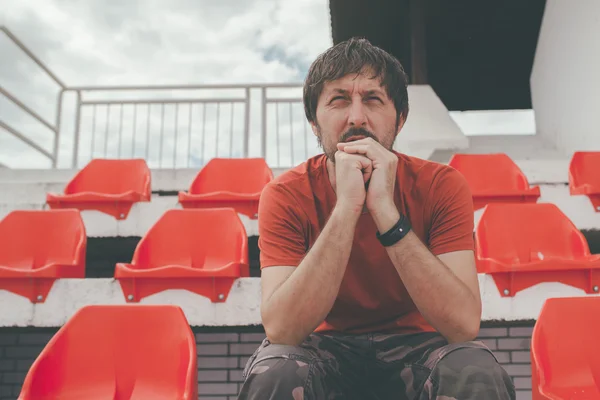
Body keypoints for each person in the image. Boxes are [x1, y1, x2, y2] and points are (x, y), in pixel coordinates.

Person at [238, 37, 515, 400]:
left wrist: (385, 210)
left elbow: (463, 325)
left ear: (399, 119)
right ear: (313, 122)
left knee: (473, 368)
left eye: (372, 99)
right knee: (277, 370)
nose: (356, 117)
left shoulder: (440, 185)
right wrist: (348, 207)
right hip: (322, 349)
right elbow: (283, 330)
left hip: (417, 348)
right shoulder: (285, 194)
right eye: (338, 100)